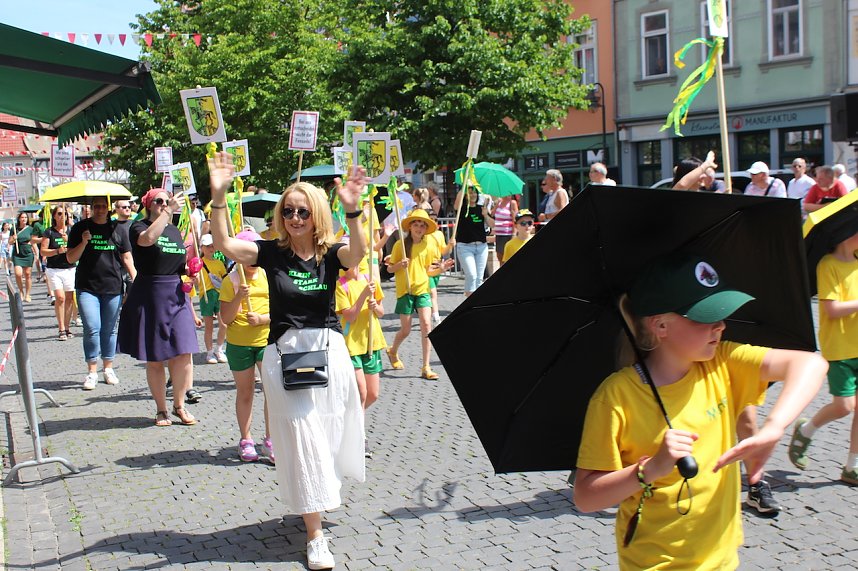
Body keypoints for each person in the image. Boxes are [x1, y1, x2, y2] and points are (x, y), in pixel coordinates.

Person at [573, 253, 826, 570]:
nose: (720, 326)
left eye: (721, 313)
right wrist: (651, 468)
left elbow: (811, 364)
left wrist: (773, 428)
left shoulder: (722, 362)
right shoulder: (616, 397)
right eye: (705, 317)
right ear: (661, 325)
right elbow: (585, 497)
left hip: (721, 558)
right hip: (654, 564)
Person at [208, 151, 369, 571]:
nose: (295, 217)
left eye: (302, 211)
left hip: (329, 353)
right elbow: (225, 244)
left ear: (316, 215)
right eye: (288, 210)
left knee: (329, 432)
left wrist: (352, 211)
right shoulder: (270, 252)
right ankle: (315, 534)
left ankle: (318, 494)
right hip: (284, 355)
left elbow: (358, 254)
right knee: (302, 437)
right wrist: (219, 195)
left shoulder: (331, 254)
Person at [117, 188, 199, 426]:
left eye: (166, 200)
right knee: (155, 357)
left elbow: (175, 263)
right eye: (158, 201)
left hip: (176, 293)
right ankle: (161, 410)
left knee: (184, 352)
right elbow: (147, 240)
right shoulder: (137, 226)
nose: (164, 204)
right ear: (148, 205)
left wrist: (189, 269)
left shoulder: (174, 230)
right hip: (150, 293)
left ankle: (179, 405)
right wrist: (168, 212)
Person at [788, 228, 858, 485]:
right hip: (840, 349)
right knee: (844, 406)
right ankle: (806, 430)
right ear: (847, 234)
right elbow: (832, 308)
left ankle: (852, 465)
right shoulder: (828, 264)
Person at [67, 197, 134, 390]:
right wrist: (83, 242)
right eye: (96, 206)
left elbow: (127, 257)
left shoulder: (118, 229)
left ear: (109, 208)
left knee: (110, 329)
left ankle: (108, 367)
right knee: (92, 328)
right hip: (87, 286)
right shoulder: (80, 228)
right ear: (91, 208)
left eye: (103, 206)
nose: (100, 209)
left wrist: (135, 280)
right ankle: (91, 371)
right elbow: (71, 258)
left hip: (112, 286)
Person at [219, 229, 274, 463]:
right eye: (245, 255)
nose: (251, 261)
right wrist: (239, 297)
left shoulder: (269, 275)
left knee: (272, 393)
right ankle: (246, 439)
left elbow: (283, 311)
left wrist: (263, 319)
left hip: (267, 341)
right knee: (245, 392)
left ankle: (272, 439)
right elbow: (226, 318)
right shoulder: (230, 280)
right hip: (239, 343)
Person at [386, 209, 454, 380]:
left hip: (423, 289)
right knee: (406, 330)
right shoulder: (400, 244)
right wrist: (399, 266)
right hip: (405, 290)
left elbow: (429, 270)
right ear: (410, 226)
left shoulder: (429, 245)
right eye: (416, 224)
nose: (419, 228)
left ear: (426, 229)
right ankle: (392, 351)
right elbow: (389, 268)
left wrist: (441, 269)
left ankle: (426, 367)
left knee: (426, 326)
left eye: (422, 225)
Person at [336, 265, 386, 409]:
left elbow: (381, 312)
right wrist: (363, 295)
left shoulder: (370, 280)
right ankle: (357, 429)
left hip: (371, 342)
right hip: (352, 344)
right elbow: (350, 317)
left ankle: (352, 420)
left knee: (372, 394)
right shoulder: (341, 285)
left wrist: (375, 307)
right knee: (361, 393)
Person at [41, 207, 78, 341]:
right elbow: (43, 251)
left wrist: (69, 240)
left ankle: (67, 327)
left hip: (69, 268)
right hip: (54, 269)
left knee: (69, 298)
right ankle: (61, 328)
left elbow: (78, 248)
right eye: (60, 214)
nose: (63, 216)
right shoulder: (49, 232)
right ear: (54, 216)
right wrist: (57, 251)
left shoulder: (71, 231)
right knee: (60, 297)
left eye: (65, 214)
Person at [453, 184, 490, 296]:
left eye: (475, 192)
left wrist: (486, 215)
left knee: (479, 278)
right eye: (470, 192)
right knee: (472, 275)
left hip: (481, 247)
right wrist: (465, 184)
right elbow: (456, 203)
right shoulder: (462, 209)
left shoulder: (481, 208)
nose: (473, 194)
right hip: (465, 247)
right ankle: (470, 303)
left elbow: (493, 225)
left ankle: (477, 305)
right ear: (465, 195)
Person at [198, 233, 228, 365]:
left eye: (212, 246)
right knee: (208, 327)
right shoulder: (198, 263)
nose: (211, 249)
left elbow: (226, 279)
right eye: (208, 246)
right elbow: (192, 280)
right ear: (202, 248)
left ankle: (219, 348)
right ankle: (209, 352)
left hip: (220, 295)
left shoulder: (219, 263)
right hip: (206, 295)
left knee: (224, 324)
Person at [426, 209, 454, 324]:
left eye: (435, 220)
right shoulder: (423, 235)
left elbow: (443, 251)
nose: (433, 222)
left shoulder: (439, 234)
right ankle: (436, 317)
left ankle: (426, 308)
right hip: (427, 267)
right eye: (430, 220)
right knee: (433, 293)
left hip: (438, 266)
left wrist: (450, 245)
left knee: (431, 292)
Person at [10, 212, 42, 302]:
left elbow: (33, 241)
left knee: (28, 274)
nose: (24, 219)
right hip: (17, 253)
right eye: (22, 217)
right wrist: (13, 238)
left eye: (25, 217)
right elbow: (10, 242)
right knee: (18, 274)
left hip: (28, 253)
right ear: (19, 219)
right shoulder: (14, 229)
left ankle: (27, 294)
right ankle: (21, 291)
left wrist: (36, 253)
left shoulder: (31, 229)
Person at [112, 199, 136, 300]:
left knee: (132, 295)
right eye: (124, 207)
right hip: (118, 267)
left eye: (128, 207)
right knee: (118, 297)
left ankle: (126, 314)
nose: (127, 209)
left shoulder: (135, 224)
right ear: (116, 209)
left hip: (133, 265)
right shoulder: (112, 225)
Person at [489, 195, 518, 265]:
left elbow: (516, 220)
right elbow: (491, 214)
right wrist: (496, 205)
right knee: (500, 257)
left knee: (508, 257)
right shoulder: (499, 202)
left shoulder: (512, 203)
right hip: (499, 234)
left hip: (508, 234)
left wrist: (514, 234)